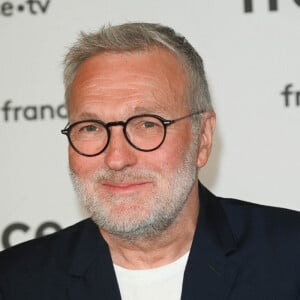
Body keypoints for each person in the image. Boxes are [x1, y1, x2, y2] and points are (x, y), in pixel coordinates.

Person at [0, 22, 299, 300]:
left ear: (203, 138)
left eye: (147, 124)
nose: (116, 159)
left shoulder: (291, 258)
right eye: (90, 128)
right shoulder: (14, 282)